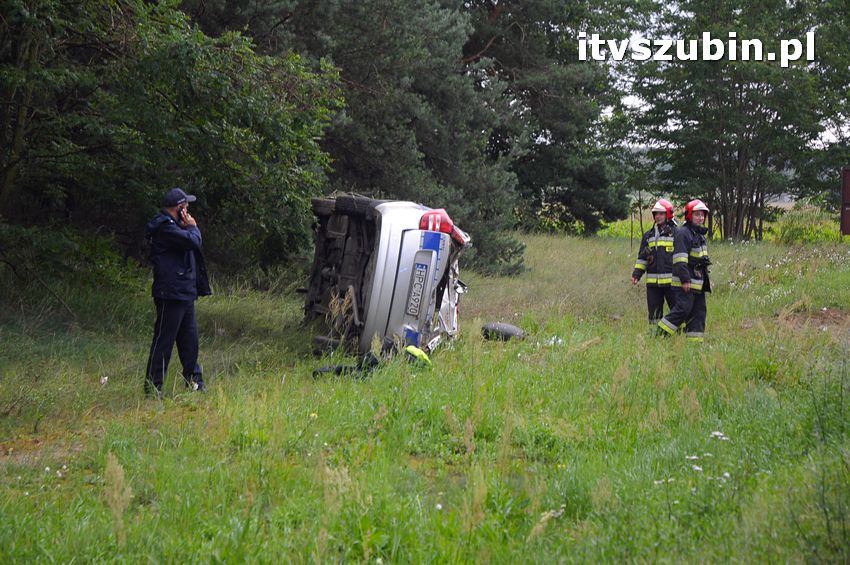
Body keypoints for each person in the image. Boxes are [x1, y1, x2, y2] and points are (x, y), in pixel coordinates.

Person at [144, 188, 211, 397]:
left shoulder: (176, 228)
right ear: (179, 208)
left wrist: (187, 228)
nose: (189, 210)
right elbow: (194, 242)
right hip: (170, 293)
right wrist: (193, 227)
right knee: (164, 342)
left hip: (184, 292)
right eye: (186, 206)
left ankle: (194, 382)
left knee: (189, 342)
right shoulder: (165, 228)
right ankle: (153, 387)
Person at [658, 199, 711, 341]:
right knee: (682, 310)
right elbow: (680, 259)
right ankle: (659, 334)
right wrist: (685, 280)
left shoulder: (699, 235)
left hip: (698, 282)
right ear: (689, 216)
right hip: (686, 283)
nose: (700, 218)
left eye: (702, 215)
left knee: (699, 312)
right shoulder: (683, 233)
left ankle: (694, 343)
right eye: (697, 215)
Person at [632, 199, 677, 330]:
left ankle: (679, 336)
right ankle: (654, 336)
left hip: (672, 282)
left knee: (677, 310)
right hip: (653, 283)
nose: (658, 216)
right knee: (654, 313)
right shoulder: (648, 236)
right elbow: (642, 258)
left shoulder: (677, 233)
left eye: (661, 214)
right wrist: (636, 274)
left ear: (668, 214)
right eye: (656, 214)